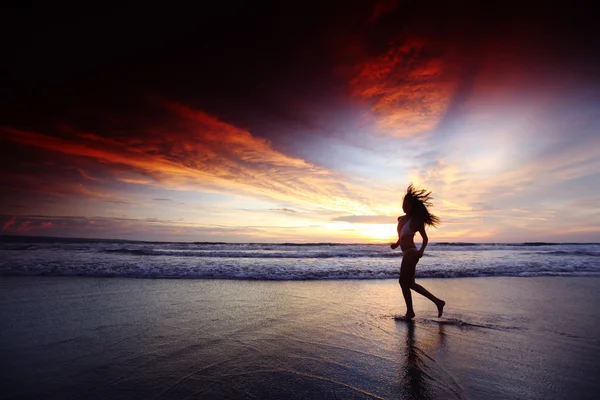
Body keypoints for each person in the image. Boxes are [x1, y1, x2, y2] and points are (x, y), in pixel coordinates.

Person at [391, 184, 445, 319]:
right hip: (406, 252)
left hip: (411, 252)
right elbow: (401, 236)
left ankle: (410, 312)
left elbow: (425, 239)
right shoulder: (400, 219)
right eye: (403, 204)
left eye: (406, 205)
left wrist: (421, 251)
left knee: (403, 282)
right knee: (409, 283)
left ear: (412, 206)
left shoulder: (416, 221)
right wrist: (396, 244)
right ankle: (438, 302)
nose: (403, 207)